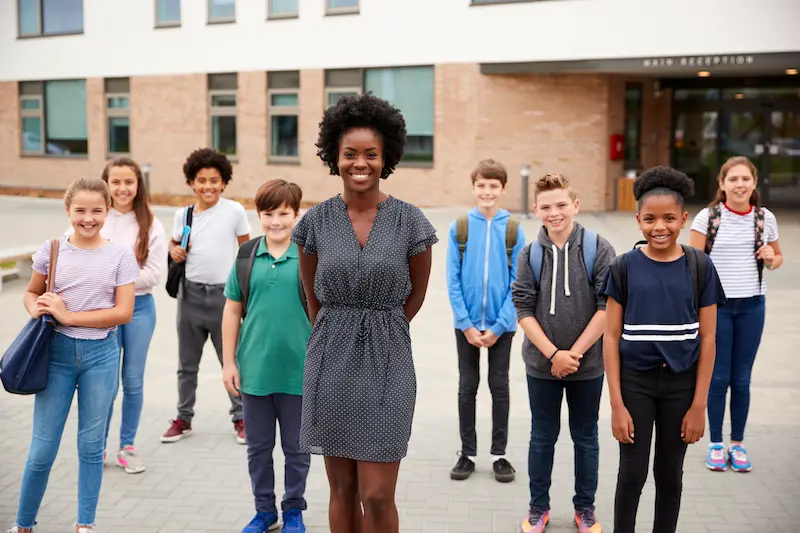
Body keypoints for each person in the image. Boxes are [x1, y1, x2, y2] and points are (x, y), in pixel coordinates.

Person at [290, 92, 437, 533]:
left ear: (386, 156)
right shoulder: (314, 223)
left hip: (388, 364)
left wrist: (380, 328)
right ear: (334, 157)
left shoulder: (411, 222)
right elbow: (312, 295)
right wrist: (339, 329)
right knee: (342, 492)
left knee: (376, 494)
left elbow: (415, 297)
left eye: (371, 154)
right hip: (329, 364)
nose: (360, 163)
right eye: (350, 153)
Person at [8, 178, 139, 533]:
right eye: (80, 210)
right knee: (41, 450)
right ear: (67, 210)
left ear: (108, 211)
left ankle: (85, 524)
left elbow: (124, 312)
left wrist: (69, 316)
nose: (88, 218)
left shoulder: (120, 254)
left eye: (97, 210)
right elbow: (31, 292)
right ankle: (23, 524)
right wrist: (35, 309)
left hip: (102, 356)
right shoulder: (51, 250)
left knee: (91, 446)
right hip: (56, 357)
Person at [602, 166, 725, 533]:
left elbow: (708, 339)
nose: (661, 227)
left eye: (670, 218)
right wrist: (617, 405)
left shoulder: (699, 266)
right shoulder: (623, 267)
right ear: (638, 220)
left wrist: (699, 406)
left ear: (684, 219)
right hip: (635, 384)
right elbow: (610, 337)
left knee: (670, 475)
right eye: (651, 219)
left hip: (681, 388)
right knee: (633, 474)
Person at [512, 173, 616, 533]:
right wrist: (554, 354)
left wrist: (574, 354)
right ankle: (538, 507)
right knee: (542, 437)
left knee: (586, 437)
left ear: (574, 205)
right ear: (536, 210)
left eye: (561, 205)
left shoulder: (598, 248)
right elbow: (522, 309)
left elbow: (607, 307)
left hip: (589, 366)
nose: (554, 213)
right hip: (541, 365)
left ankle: (584, 508)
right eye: (546, 207)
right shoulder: (529, 254)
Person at [221, 179, 311, 533]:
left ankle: (293, 509)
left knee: (297, 450)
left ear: (296, 214)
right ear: (259, 215)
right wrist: (229, 362)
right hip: (254, 373)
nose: (276, 221)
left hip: (299, 373)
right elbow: (231, 311)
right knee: (258, 449)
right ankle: (264, 511)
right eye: (269, 214)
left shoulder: (308, 257)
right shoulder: (246, 257)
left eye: (284, 214)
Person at [689, 156, 783, 473]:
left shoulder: (764, 218)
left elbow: (777, 258)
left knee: (741, 379)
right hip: (718, 308)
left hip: (753, 306)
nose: (740, 185)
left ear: (754, 183)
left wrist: (771, 257)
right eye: (733, 179)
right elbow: (693, 264)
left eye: (745, 179)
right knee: (718, 377)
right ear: (722, 183)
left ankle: (738, 444)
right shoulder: (708, 218)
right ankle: (716, 444)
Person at [161, 148, 251, 445]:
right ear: (191, 182)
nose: (208, 186)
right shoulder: (183, 214)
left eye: (214, 180)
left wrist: (245, 292)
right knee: (187, 364)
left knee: (233, 360)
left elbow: (246, 251)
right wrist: (173, 251)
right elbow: (175, 247)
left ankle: (241, 418)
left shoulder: (234, 211)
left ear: (224, 182)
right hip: (190, 296)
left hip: (225, 298)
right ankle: (183, 418)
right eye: (201, 180)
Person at [446, 158, 524, 483]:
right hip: (465, 325)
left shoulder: (513, 229)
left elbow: (518, 282)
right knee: (468, 387)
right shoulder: (460, 226)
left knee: (499, 386)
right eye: (482, 185)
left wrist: (499, 325)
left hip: (501, 326)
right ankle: (467, 452)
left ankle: (499, 454)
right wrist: (465, 323)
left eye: (494, 186)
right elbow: (452, 279)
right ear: (474, 187)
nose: (487, 191)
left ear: (503, 189)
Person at [100, 157, 166, 474]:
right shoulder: (95, 217)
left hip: (140, 310)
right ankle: (97, 447)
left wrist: (114, 280)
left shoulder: (151, 223)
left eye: (129, 181)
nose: (123, 188)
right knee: (106, 383)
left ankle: (127, 447)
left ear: (138, 185)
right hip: (104, 312)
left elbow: (154, 274)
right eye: (116, 181)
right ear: (106, 184)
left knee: (133, 381)